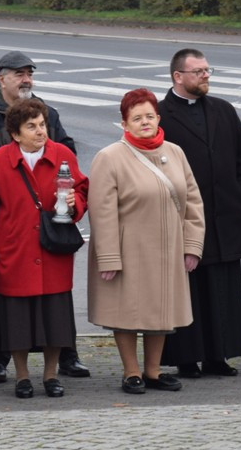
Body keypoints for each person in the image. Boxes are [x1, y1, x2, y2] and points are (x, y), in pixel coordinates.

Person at [0, 50, 87, 384]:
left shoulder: (59, 152)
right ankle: (19, 375)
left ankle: (51, 375)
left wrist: (74, 204)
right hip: (14, 246)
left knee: (55, 316)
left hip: (52, 244)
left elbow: (81, 188)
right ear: (15, 133)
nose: (41, 131)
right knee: (17, 319)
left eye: (43, 125)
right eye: (32, 127)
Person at [88, 88, 205, 395]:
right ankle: (131, 372)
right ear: (124, 123)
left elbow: (193, 202)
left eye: (149, 116)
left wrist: (192, 246)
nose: (144, 122)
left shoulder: (175, 152)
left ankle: (153, 371)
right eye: (137, 118)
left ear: (158, 118)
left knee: (160, 311)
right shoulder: (109, 157)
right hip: (129, 249)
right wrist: (109, 257)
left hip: (167, 248)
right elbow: (102, 212)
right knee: (125, 313)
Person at [160, 49, 241, 378]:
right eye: (198, 71)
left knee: (222, 288)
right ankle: (187, 358)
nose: (206, 76)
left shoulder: (223, 110)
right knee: (190, 288)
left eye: (207, 70)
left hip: (224, 214)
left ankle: (219, 355)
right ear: (178, 77)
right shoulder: (160, 115)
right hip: (182, 217)